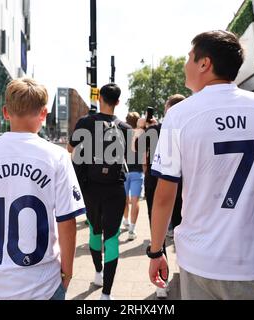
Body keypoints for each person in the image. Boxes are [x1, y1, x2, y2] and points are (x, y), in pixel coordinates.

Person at [147, 30, 254, 300]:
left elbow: (165, 195)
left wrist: (156, 251)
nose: (185, 64)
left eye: (189, 57)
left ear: (205, 63)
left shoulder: (178, 115)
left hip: (199, 258)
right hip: (252, 259)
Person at [0, 78, 85, 300]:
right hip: (44, 284)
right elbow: (67, 224)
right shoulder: (57, 157)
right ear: (43, 113)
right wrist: (67, 272)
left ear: (5, 112)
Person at [68, 84, 131, 300]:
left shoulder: (86, 122)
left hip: (91, 187)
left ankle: (97, 273)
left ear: (100, 98)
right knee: (111, 237)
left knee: (95, 231)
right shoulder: (124, 127)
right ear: (118, 102)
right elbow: (130, 159)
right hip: (116, 188)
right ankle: (106, 294)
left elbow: (71, 149)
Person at [140, 94, 185, 299]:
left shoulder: (153, 130)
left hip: (156, 183)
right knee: (183, 228)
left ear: (167, 109)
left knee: (157, 229)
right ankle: (186, 274)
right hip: (184, 184)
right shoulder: (188, 128)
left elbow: (140, 155)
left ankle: (161, 282)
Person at [123, 112, 144, 241]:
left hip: (125, 171)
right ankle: (132, 228)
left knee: (124, 199)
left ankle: (125, 220)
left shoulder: (124, 134)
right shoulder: (141, 135)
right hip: (137, 170)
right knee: (135, 200)